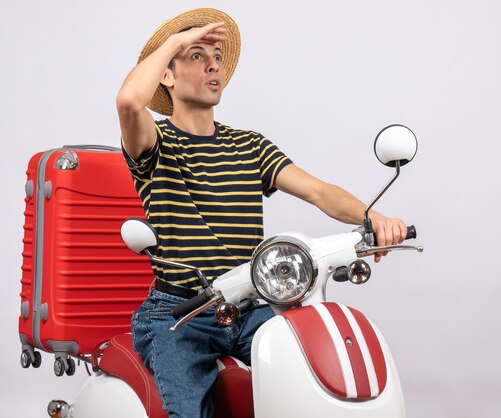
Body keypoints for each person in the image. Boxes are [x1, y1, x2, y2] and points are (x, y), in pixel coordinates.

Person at [117, 8, 408, 418]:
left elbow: (319, 192)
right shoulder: (156, 142)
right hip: (182, 313)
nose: (214, 64)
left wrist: (372, 218)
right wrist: (176, 41)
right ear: (167, 73)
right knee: (187, 411)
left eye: (216, 56)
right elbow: (129, 100)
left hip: (252, 305)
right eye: (197, 56)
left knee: (313, 384)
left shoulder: (249, 146)